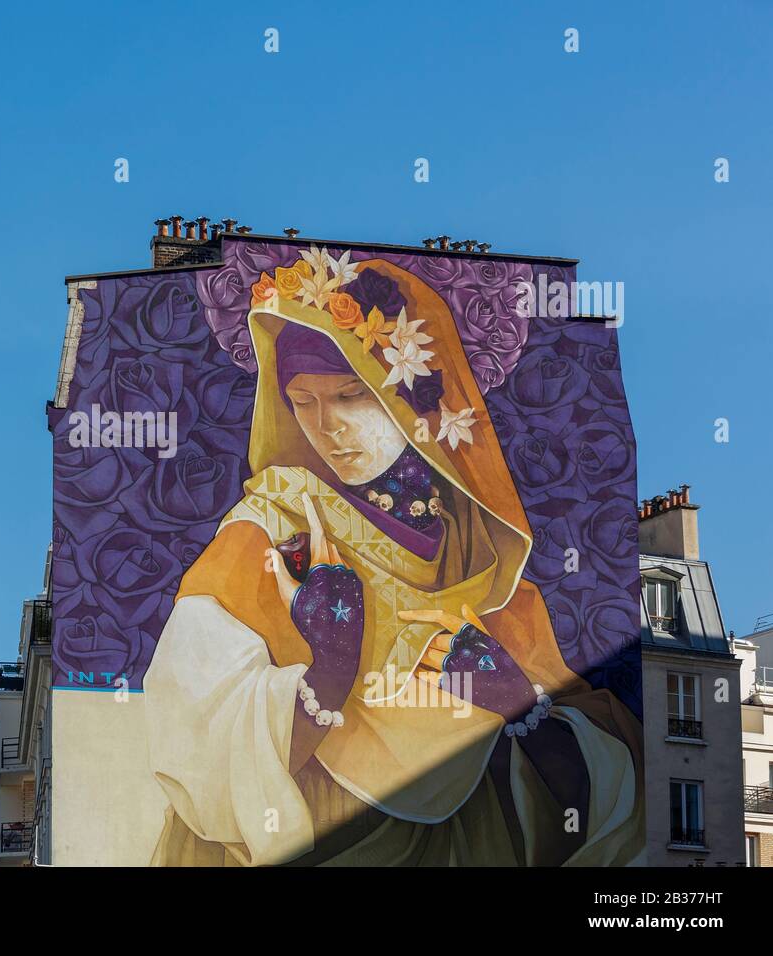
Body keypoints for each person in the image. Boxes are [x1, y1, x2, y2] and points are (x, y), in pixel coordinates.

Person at [144, 255, 643, 866]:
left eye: (352, 395)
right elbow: (188, 739)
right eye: (303, 401)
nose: (327, 427)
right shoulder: (269, 533)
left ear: (410, 396)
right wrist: (326, 673)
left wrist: (520, 705)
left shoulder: (480, 558)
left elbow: (613, 805)